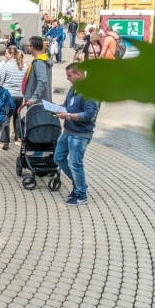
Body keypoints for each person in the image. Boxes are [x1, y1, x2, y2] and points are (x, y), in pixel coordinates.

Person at [54, 64, 100, 206]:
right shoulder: (74, 88)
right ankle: (80, 184)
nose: (68, 79)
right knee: (59, 158)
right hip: (68, 131)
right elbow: (68, 104)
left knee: (75, 163)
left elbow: (89, 114)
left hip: (80, 134)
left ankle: (81, 194)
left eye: (69, 76)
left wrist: (68, 115)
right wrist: (57, 108)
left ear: (78, 74)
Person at [0, 46, 26, 148]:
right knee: (17, 116)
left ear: (12, 55)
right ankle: (19, 137)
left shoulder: (6, 66)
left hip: (8, 94)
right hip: (19, 95)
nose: (5, 55)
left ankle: (4, 141)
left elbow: (0, 80)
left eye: (7, 53)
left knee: (6, 117)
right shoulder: (24, 65)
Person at [23, 36, 53, 107]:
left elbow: (42, 81)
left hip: (37, 102)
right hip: (41, 100)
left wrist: (34, 98)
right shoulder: (44, 59)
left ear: (32, 47)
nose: (28, 48)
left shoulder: (39, 62)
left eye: (28, 46)